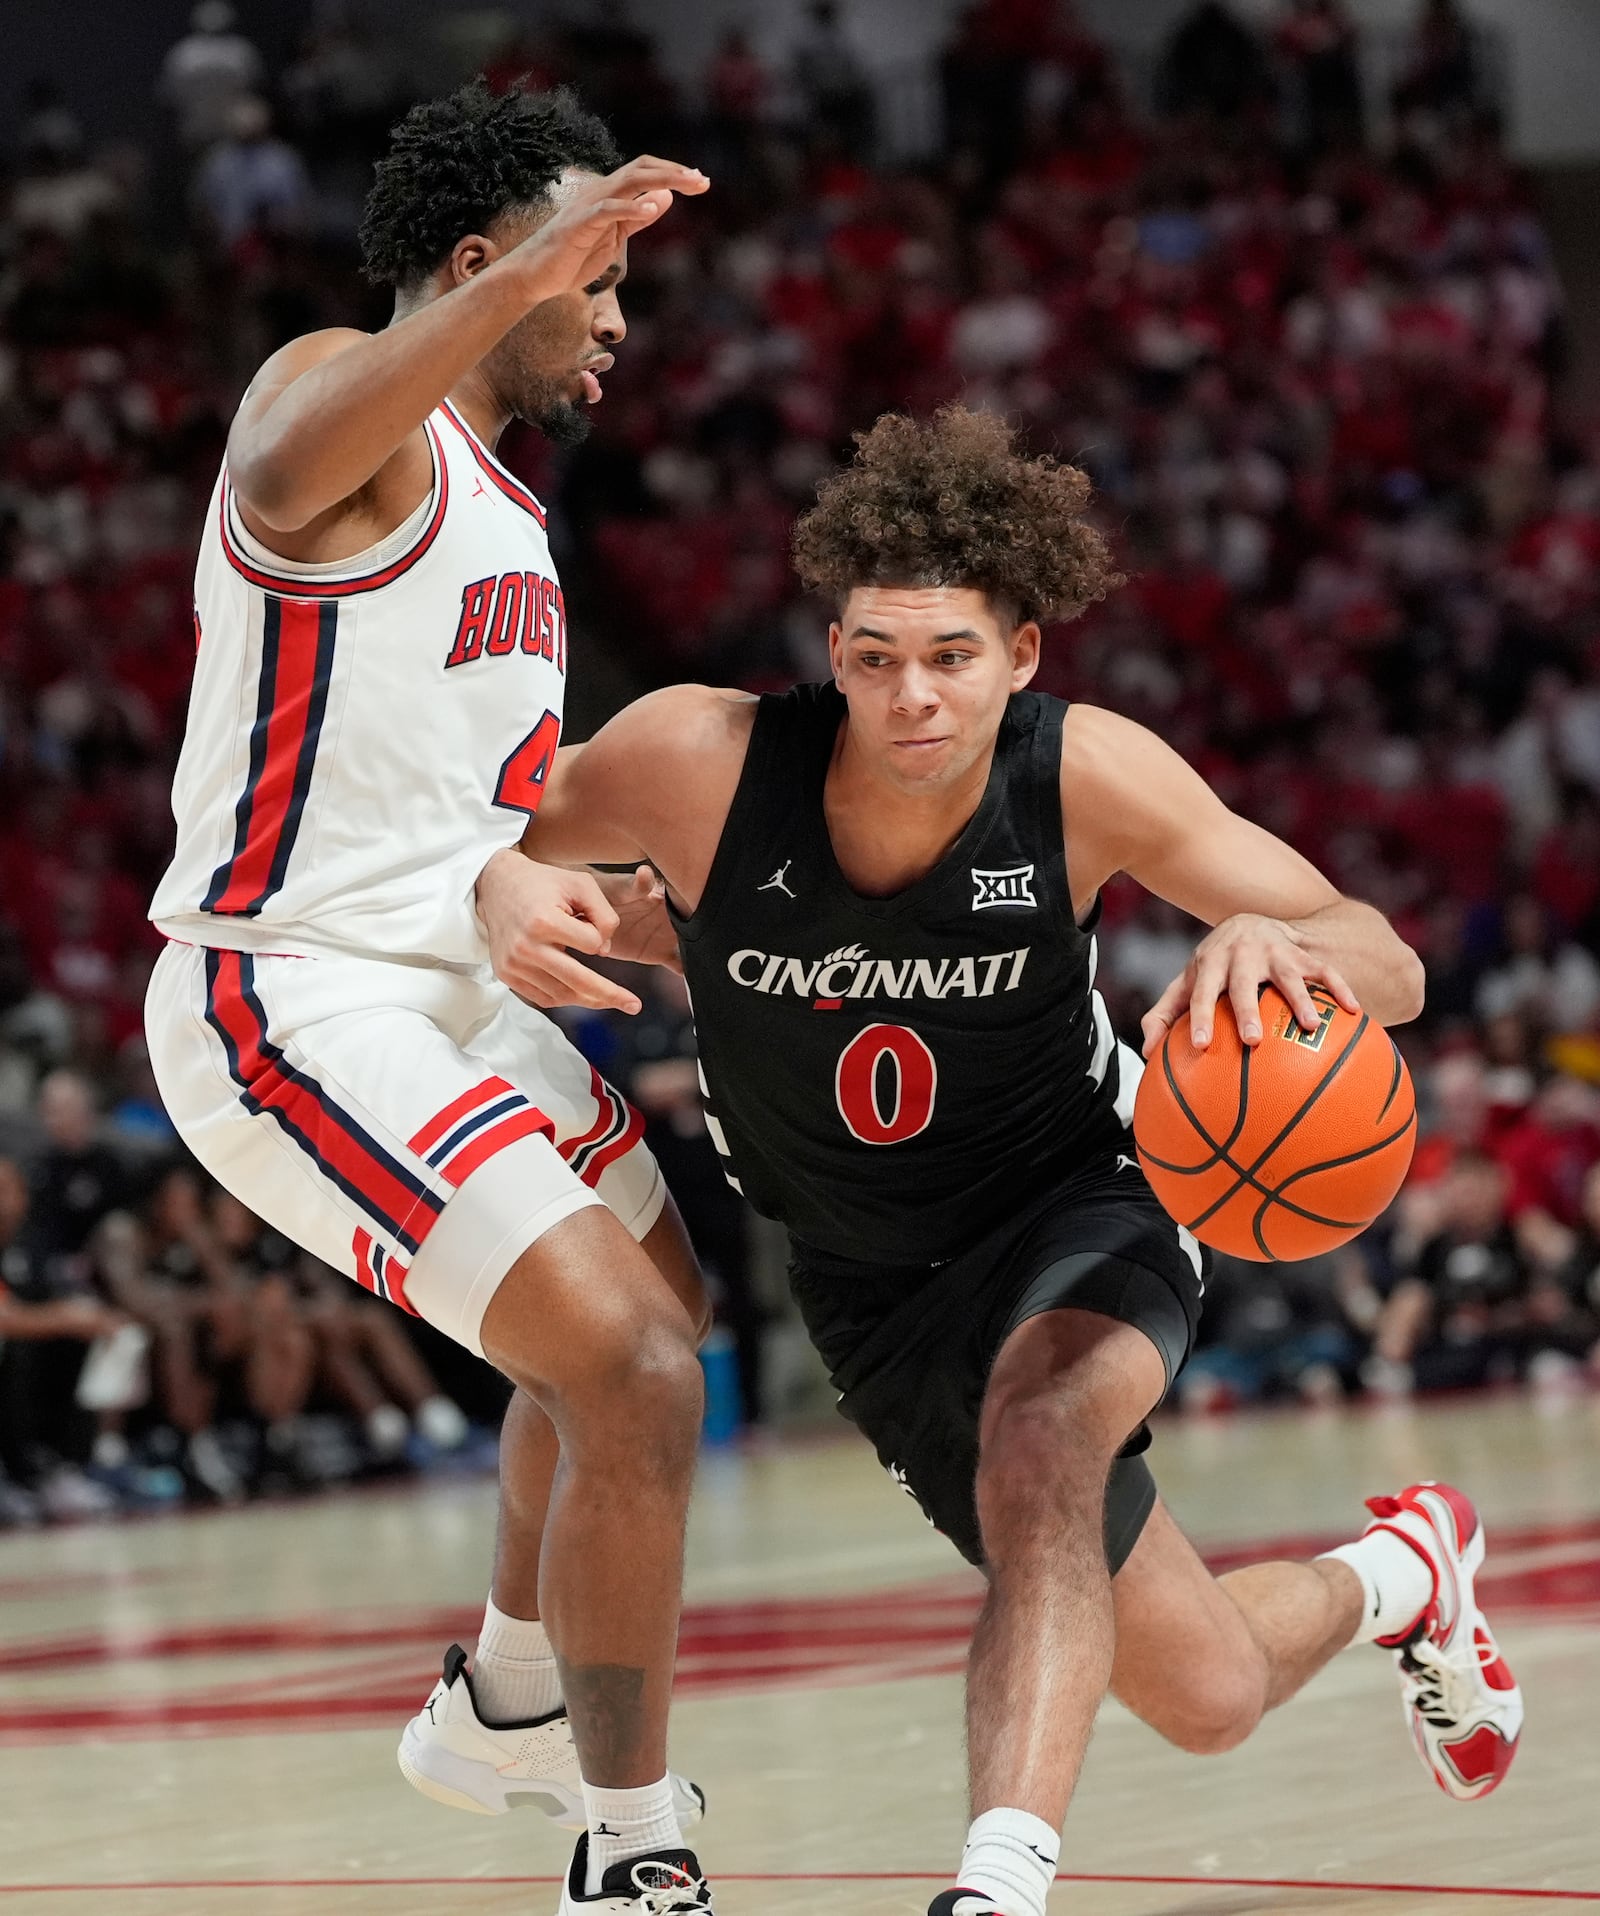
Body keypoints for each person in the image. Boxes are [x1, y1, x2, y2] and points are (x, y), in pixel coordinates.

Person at [458, 408, 1522, 1916]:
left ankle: (997, 1885)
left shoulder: (1088, 775)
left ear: (1023, 653)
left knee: (1042, 1436)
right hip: (868, 1283)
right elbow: (446, 831)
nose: (912, 694)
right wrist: (503, 871)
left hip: (1084, 1203)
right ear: (833, 648)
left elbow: (1391, 958)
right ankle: (1410, 1575)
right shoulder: (697, 761)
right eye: (878, 655)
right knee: (1208, 1690)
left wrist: (1285, 935)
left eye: (952, 655)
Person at [143, 80, 716, 1914]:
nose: (615, 314)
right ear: (486, 269)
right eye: (590, 279)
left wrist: (619, 914)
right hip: (284, 997)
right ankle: (629, 1851)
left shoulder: (514, 526)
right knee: (624, 1369)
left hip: (441, 989)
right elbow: (270, 468)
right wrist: (518, 268)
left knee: (663, 1313)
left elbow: (474, 832)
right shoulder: (349, 413)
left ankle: (506, 1695)